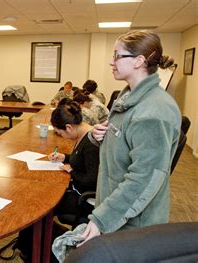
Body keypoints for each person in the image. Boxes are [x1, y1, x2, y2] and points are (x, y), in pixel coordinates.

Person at [80, 30, 181, 245]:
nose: (111, 61)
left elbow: (144, 179)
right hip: (117, 208)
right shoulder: (128, 97)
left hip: (134, 224)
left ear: (139, 61)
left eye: (117, 55)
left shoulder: (153, 112)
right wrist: (97, 136)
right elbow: (126, 144)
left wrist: (101, 219)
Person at [15, 101, 99, 261]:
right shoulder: (83, 135)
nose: (62, 137)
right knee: (35, 203)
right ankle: (28, 247)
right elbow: (79, 160)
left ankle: (35, 251)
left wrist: (71, 171)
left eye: (61, 134)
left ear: (69, 127)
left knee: (38, 206)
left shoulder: (91, 144)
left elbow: (91, 180)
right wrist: (64, 157)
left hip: (84, 197)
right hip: (76, 188)